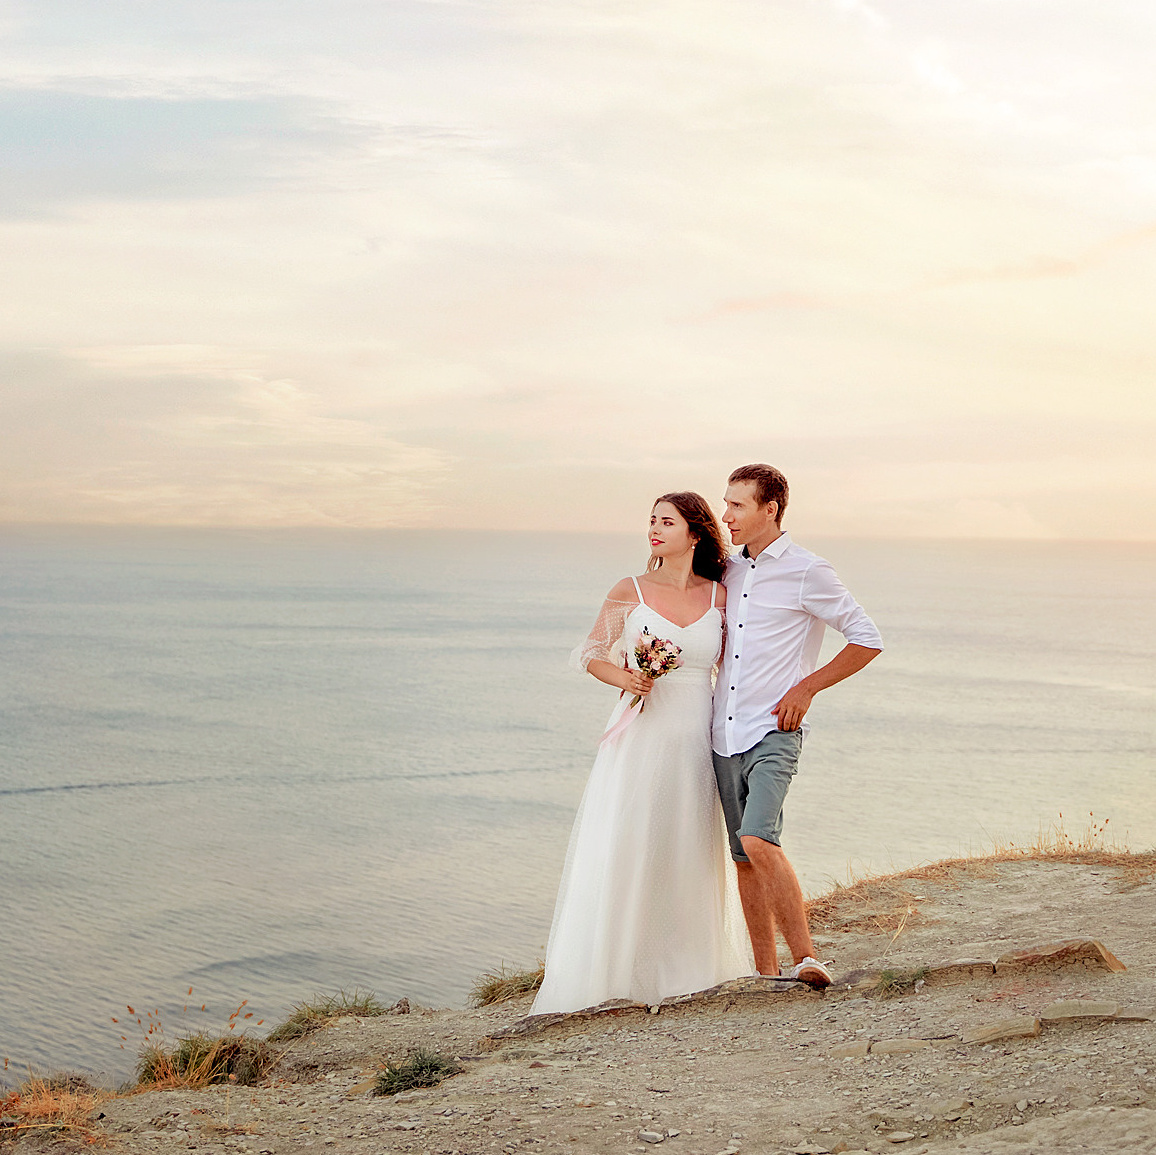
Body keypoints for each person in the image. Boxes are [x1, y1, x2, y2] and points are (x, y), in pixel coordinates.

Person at [532, 492, 752, 1014]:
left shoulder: (722, 597)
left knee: (687, 847)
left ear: (694, 533)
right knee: (631, 843)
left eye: (666, 521)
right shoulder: (628, 590)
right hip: (640, 737)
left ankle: (688, 971)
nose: (653, 529)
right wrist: (625, 676)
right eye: (651, 520)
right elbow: (588, 653)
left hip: (698, 741)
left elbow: (736, 666)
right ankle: (617, 973)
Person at [712, 464, 883, 987]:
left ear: (771, 509)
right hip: (721, 732)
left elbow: (866, 637)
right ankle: (767, 972)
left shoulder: (809, 570)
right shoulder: (727, 570)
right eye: (726, 504)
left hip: (773, 730)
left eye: (738, 506)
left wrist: (806, 687)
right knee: (743, 857)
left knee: (759, 838)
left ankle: (807, 958)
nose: (727, 516)